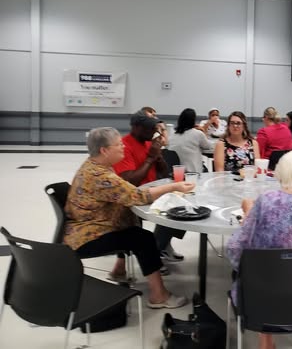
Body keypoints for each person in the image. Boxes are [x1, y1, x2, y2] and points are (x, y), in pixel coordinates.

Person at [63, 127, 194, 309]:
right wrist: (174, 187)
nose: (123, 146)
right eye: (118, 144)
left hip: (85, 226)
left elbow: (125, 192)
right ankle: (158, 296)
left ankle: (119, 269)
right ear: (104, 150)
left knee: (129, 221)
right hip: (86, 237)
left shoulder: (93, 165)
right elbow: (138, 196)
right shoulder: (99, 176)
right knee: (143, 238)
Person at [226, 149, 292, 349]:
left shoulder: (266, 200)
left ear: (282, 171)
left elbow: (236, 250)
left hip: (262, 299)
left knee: (257, 268)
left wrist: (247, 216)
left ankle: (266, 340)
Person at [113, 111, 185, 266]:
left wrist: (158, 158)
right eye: (150, 128)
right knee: (173, 212)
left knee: (183, 206)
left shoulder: (148, 143)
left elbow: (164, 173)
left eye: (155, 128)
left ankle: (161, 246)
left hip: (152, 192)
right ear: (136, 127)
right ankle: (155, 254)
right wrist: (150, 158)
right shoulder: (124, 146)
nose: (154, 131)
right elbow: (130, 181)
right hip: (133, 197)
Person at [168, 108, 211, 173]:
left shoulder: (172, 135)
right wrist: (204, 131)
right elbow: (208, 146)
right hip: (194, 171)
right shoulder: (197, 134)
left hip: (177, 172)